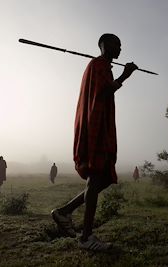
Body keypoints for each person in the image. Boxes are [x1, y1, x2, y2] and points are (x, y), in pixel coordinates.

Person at [50, 33, 138, 251]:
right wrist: (125, 75)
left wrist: (119, 75)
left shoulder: (103, 67)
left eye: (121, 45)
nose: (120, 49)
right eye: (117, 44)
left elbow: (105, 90)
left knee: (104, 178)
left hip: (101, 126)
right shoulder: (98, 65)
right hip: (95, 127)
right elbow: (105, 90)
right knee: (96, 175)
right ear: (104, 45)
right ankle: (86, 238)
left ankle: (65, 212)